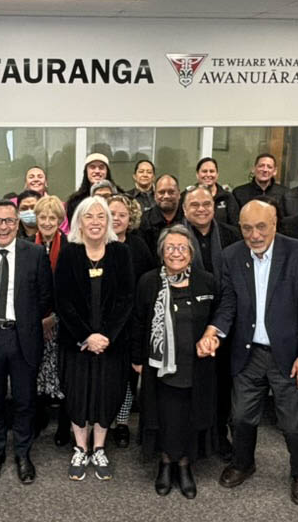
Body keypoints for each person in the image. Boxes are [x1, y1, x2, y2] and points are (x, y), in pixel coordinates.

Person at [200, 198, 298, 506]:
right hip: (248, 353)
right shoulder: (232, 255)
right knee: (241, 417)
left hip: (293, 355)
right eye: (246, 228)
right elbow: (228, 302)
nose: (254, 235)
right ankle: (244, 462)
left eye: (261, 227)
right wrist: (212, 331)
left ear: (274, 224)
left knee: (294, 425)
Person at [0, 201, 53, 484]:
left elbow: (45, 297)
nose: (3, 227)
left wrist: (26, 321)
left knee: (25, 400)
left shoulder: (36, 253)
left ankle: (23, 453)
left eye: (9, 221)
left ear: (17, 224)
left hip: (22, 337)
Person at [132, 225, 218, 499]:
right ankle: (166, 463)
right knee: (165, 415)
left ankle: (185, 466)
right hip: (160, 367)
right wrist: (137, 359)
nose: (176, 253)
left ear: (191, 253)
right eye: (170, 248)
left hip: (196, 366)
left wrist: (212, 339)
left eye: (182, 248)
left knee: (190, 416)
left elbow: (217, 321)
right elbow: (137, 323)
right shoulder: (148, 282)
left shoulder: (207, 282)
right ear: (161, 252)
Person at [55, 196, 135, 482]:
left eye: (101, 216)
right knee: (77, 394)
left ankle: (99, 448)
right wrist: (87, 336)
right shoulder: (69, 253)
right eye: (89, 216)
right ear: (79, 221)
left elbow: (127, 299)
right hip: (77, 344)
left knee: (106, 394)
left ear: (109, 221)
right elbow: (63, 301)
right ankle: (80, 447)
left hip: (112, 345)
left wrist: (106, 336)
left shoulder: (121, 253)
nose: (96, 222)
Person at [179, 185, 241, 458]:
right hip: (186, 322)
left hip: (224, 323)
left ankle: (218, 435)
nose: (202, 209)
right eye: (195, 205)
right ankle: (189, 436)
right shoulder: (174, 238)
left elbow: (236, 284)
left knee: (220, 384)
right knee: (188, 384)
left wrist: (217, 327)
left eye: (207, 204)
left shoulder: (231, 236)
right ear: (184, 209)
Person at [107, 194, 156, 448]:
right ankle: (103, 421)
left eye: (122, 215)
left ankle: (123, 423)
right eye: (111, 213)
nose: (116, 219)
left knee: (128, 376)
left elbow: (149, 283)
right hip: (103, 325)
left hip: (132, 323)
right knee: (106, 376)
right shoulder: (94, 243)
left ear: (131, 219)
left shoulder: (138, 246)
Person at [33, 195, 71, 446]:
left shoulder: (70, 247)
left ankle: (65, 425)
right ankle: (37, 417)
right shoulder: (25, 245)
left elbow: (70, 288)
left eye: (52, 218)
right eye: (42, 217)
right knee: (34, 371)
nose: (47, 222)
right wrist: (40, 319)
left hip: (62, 321)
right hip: (35, 321)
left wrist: (54, 317)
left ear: (60, 221)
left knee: (63, 372)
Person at [64, 153, 116, 228]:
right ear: (86, 172)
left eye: (101, 167)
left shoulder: (118, 197)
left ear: (107, 171)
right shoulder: (75, 201)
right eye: (92, 167)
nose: (97, 171)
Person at [186, 157, 239, 227]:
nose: (208, 175)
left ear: (217, 174)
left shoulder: (228, 197)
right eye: (204, 171)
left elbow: (235, 226)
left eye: (212, 171)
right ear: (197, 174)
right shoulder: (187, 196)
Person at [139, 174, 184, 255]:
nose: (166, 196)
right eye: (161, 192)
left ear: (179, 194)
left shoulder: (188, 219)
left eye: (171, 192)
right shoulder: (143, 222)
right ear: (155, 195)